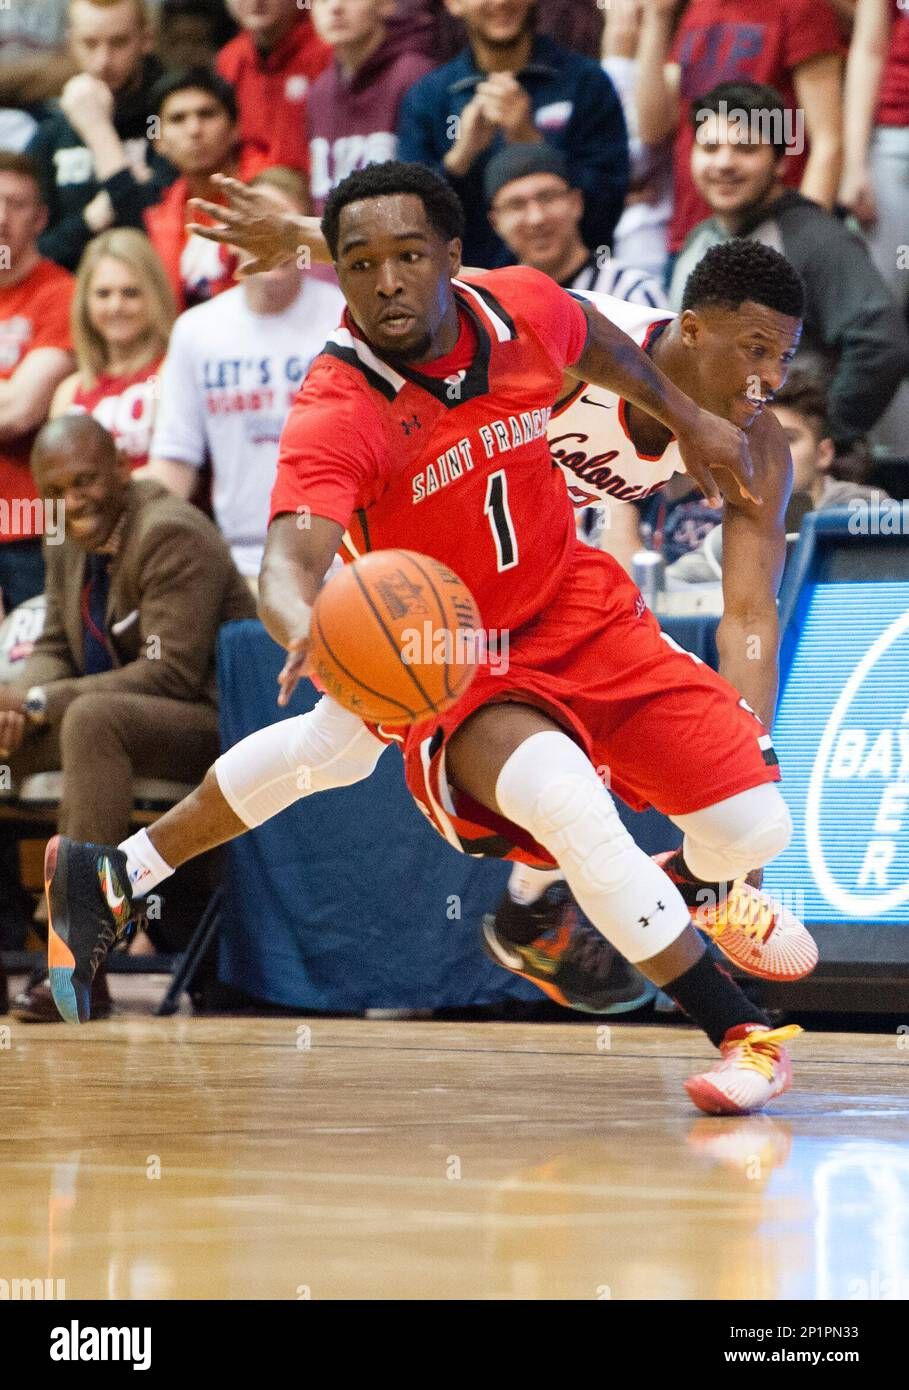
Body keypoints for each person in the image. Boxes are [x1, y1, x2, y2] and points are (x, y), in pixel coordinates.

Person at [46, 161, 808, 1118]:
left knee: (749, 823)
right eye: (750, 353)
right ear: (694, 331)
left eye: (778, 363)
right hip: (442, 619)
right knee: (411, 758)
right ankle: (713, 1006)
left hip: (562, 592)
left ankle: (119, 874)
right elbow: (294, 545)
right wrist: (309, 627)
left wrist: (690, 419)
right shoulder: (350, 397)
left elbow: (747, 609)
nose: (765, 381)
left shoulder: (579, 344)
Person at [0, 413, 255, 1020]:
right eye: (55, 492)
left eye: (85, 481)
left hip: (213, 729)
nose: (72, 502)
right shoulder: (64, 536)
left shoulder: (171, 532)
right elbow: (57, 647)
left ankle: (79, 961)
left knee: (91, 719)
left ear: (121, 467)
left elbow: (172, 674)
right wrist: (17, 704)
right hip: (116, 722)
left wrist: (40, 705)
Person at [668, 81, 909, 465]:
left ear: (781, 161)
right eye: (710, 148)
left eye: (746, 148)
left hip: (798, 482)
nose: (724, 163)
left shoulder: (815, 240)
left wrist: (818, 437)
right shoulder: (698, 241)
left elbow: (882, 342)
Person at [143, 167, 343, 581]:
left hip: (344, 552)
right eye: (255, 226)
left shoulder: (346, 315)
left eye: (283, 227)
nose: (269, 239)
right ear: (229, 236)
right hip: (241, 559)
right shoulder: (196, 330)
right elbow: (175, 464)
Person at [397, 0, 629, 268]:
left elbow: (608, 209)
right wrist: (460, 158)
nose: (500, 2)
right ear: (454, 4)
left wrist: (531, 142)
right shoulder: (427, 97)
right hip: (469, 290)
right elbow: (410, 223)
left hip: (573, 291)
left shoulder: (587, 82)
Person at [637, 0, 844, 258]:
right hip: (693, 235)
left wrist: (805, 244)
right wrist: (657, 17)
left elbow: (828, 142)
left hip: (769, 237)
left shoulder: (801, 7)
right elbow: (651, 129)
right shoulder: (698, 7)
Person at [24, 0, 175, 274]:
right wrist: (91, 218)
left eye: (118, 43)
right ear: (71, 42)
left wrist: (99, 132)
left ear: (146, 39)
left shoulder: (165, 120)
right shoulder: (51, 134)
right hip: (66, 297)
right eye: (90, 44)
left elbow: (156, 236)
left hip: (148, 291)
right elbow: (26, 255)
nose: (104, 61)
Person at [0, 153, 75, 612]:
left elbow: (18, 412)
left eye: (16, 203)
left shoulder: (61, 293)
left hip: (27, 526)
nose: (1, 217)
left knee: (29, 671)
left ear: (41, 218)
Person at [839, 0, 909, 456]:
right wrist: (854, 162)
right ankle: (891, 467)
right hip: (893, 137)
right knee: (883, 318)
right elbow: (868, 47)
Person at [143, 66, 270, 311]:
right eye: (178, 119)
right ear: (157, 140)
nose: (194, 130)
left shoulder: (268, 193)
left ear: (235, 128)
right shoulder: (157, 215)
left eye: (207, 114)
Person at [49, 227, 176, 469]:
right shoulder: (68, 393)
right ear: (84, 303)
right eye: (103, 294)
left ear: (155, 296)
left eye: (131, 293)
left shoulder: (171, 373)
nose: (116, 306)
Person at [484, 143, 667, 306]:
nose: (537, 218)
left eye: (547, 197)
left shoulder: (632, 293)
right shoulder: (492, 306)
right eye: (517, 205)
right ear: (495, 222)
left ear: (576, 203)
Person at [307, 0, 435, 215]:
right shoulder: (319, 91)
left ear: (385, 4)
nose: (335, 7)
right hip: (332, 243)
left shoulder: (416, 77)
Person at [216, 0, 331, 176]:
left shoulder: (328, 51)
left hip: (315, 188)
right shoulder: (229, 59)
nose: (255, 2)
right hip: (248, 188)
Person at [770, 367, 892, 513]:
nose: (771, 452)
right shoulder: (741, 519)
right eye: (759, 442)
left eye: (789, 439)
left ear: (823, 454)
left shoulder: (869, 510)